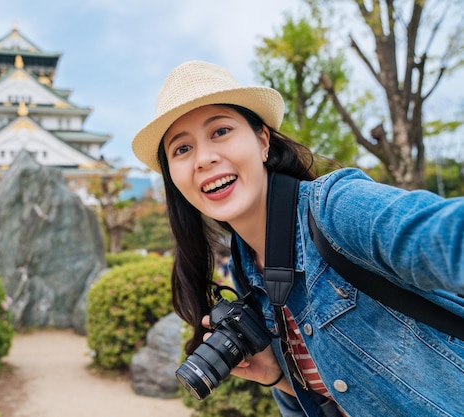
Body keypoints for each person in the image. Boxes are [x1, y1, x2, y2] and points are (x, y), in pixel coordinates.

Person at [131, 60, 464, 417]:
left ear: (262, 141)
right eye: (182, 149)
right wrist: (279, 378)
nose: (204, 159)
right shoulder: (248, 274)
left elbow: (446, 235)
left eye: (220, 131)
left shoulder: (335, 209)